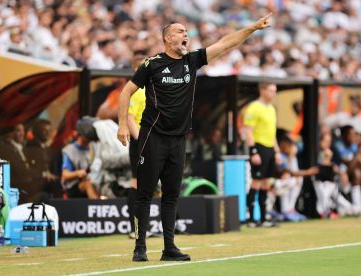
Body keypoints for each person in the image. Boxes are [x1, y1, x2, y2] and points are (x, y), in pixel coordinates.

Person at [117, 13, 273, 262]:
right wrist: (122, 125)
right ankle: (140, 247)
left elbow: (225, 43)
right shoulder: (152, 64)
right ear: (168, 38)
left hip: (178, 140)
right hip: (152, 137)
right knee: (145, 193)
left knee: (171, 195)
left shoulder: (191, 61)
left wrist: (252, 28)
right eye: (180, 31)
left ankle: (169, 247)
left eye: (186, 32)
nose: (185, 34)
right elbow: (126, 93)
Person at [244, 82, 282, 227]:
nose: (273, 94)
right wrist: (253, 151)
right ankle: (251, 219)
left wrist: (277, 151)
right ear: (262, 90)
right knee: (256, 182)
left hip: (270, 148)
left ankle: (264, 218)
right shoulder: (254, 107)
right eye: (271, 90)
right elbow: (248, 131)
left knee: (266, 183)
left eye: (275, 91)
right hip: (258, 147)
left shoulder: (271, 109)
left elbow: (272, 133)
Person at [126, 54, 146, 239]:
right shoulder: (136, 91)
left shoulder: (150, 90)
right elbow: (130, 118)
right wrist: (141, 141)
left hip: (152, 141)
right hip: (140, 142)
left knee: (150, 184)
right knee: (137, 182)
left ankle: (143, 226)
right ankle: (134, 228)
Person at [61, 116, 100, 199]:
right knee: (87, 184)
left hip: (92, 181)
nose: (90, 140)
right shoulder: (69, 150)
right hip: (74, 187)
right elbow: (65, 175)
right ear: (81, 134)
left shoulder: (94, 147)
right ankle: (96, 207)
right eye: (88, 137)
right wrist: (78, 173)